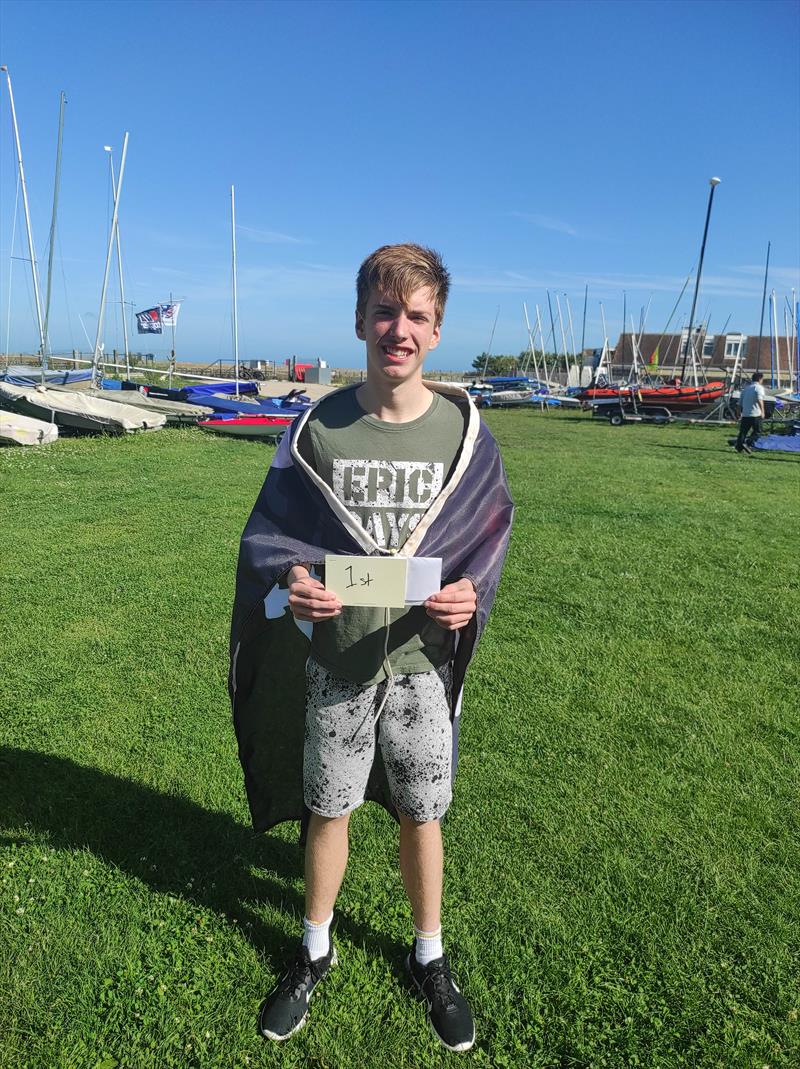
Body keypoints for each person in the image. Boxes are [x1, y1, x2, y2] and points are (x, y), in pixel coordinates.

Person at [229, 243, 513, 1053]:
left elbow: (485, 536)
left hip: (421, 668)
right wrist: (295, 582)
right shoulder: (318, 426)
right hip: (339, 664)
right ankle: (313, 948)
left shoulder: (463, 432)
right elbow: (273, 537)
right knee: (330, 808)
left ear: (436, 328)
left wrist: (469, 594)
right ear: (360, 320)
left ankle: (430, 955)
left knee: (424, 813)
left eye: (417, 315)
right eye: (385, 312)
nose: (400, 329)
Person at [735, 371, 766, 453]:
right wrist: (762, 411)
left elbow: (739, 403)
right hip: (756, 414)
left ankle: (739, 447)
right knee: (758, 431)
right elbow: (760, 400)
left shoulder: (746, 389)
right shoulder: (759, 388)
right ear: (759, 379)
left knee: (743, 432)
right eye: (762, 379)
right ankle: (748, 443)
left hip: (745, 414)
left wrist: (738, 412)